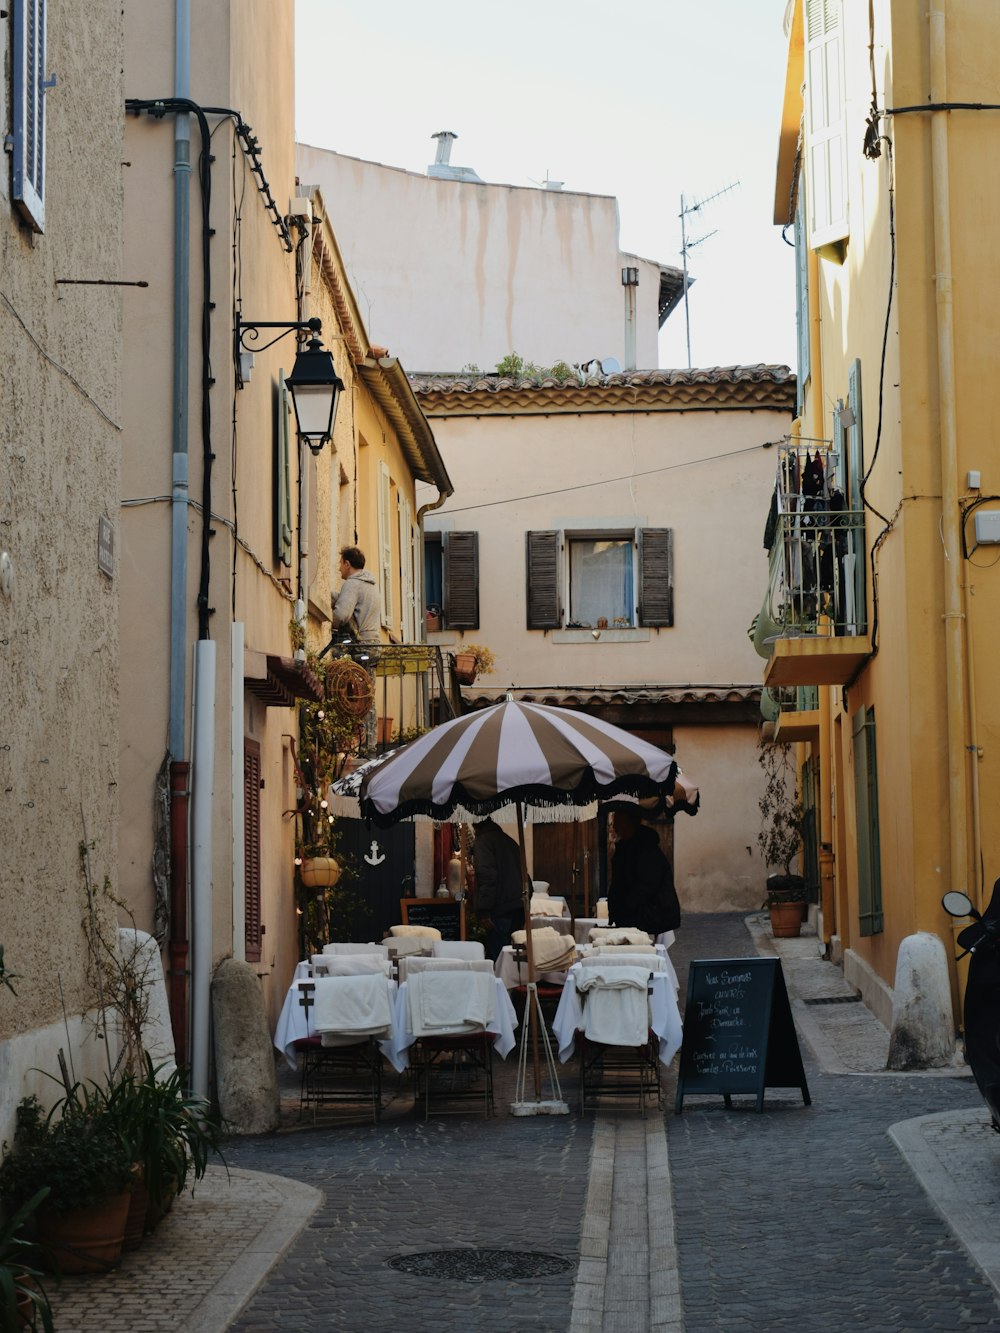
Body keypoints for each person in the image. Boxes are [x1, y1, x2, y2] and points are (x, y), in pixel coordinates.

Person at [607, 806, 680, 938]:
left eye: (617, 820)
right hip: (633, 916)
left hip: (646, 917)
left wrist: (625, 907)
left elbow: (648, 884)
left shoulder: (645, 849)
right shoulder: (627, 846)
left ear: (628, 823)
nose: (614, 824)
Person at [472, 818, 525, 961]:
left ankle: (498, 983)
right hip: (517, 907)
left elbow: (487, 877)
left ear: (476, 826)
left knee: (498, 959)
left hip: (499, 909)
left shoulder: (483, 842)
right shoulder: (510, 841)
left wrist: (484, 911)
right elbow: (526, 878)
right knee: (510, 959)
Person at [331, 546, 381, 644]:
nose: (339, 569)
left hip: (360, 643)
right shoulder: (371, 586)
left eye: (340, 563)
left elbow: (341, 615)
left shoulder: (352, 584)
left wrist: (328, 622)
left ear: (347, 564)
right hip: (374, 644)